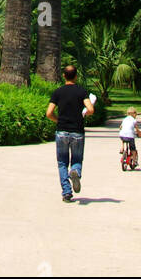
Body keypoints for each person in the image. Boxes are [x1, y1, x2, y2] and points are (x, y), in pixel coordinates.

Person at [46, 64, 95, 202]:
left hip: (61, 131)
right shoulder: (81, 91)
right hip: (77, 131)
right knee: (77, 159)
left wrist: (58, 120)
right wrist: (84, 114)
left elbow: (49, 113)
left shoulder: (58, 92)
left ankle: (67, 192)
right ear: (76, 76)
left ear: (63, 76)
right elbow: (90, 109)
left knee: (62, 162)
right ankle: (76, 172)